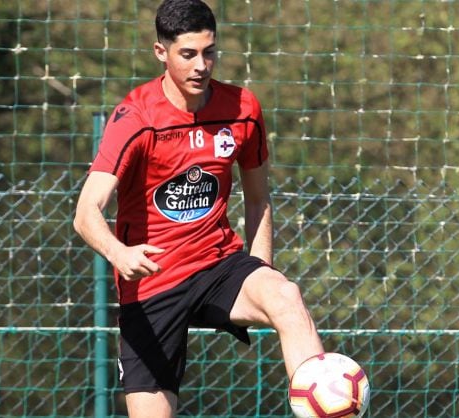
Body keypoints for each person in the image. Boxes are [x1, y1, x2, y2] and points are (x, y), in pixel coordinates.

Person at [73, 0, 325, 416]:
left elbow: (259, 198)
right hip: (152, 285)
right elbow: (86, 212)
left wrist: (259, 268)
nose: (201, 66)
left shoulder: (243, 110)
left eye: (209, 52)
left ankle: (325, 407)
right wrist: (120, 254)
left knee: (286, 297)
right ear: (161, 53)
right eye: (187, 54)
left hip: (216, 265)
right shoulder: (135, 117)